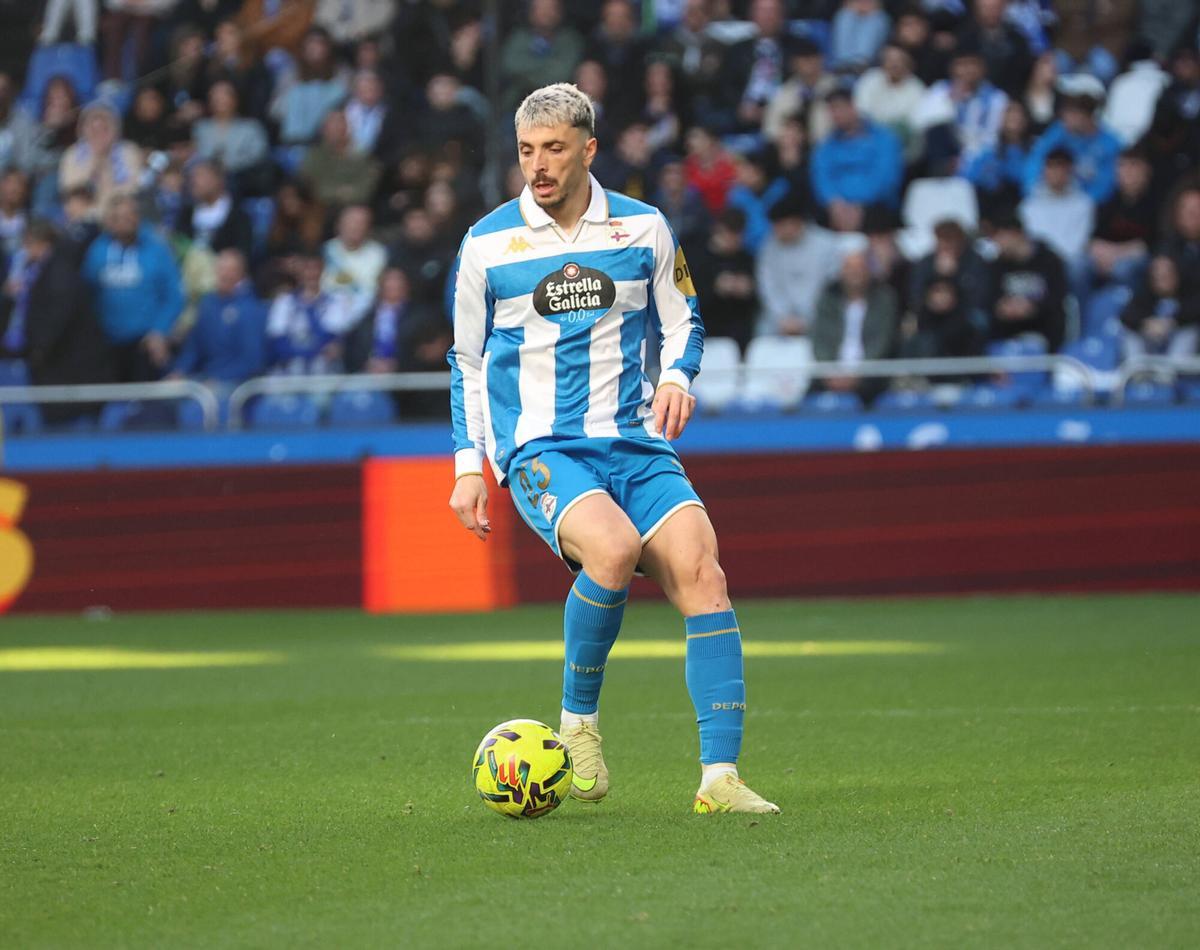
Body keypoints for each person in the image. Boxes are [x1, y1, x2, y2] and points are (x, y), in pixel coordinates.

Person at [447, 83, 779, 815]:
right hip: (542, 447)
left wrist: (678, 375)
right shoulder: (487, 244)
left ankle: (718, 779)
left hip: (633, 442)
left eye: (555, 149)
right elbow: (466, 363)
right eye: (527, 149)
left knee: (705, 574)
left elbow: (684, 317)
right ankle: (579, 725)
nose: (538, 164)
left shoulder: (645, 229)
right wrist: (471, 467)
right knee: (613, 548)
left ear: (589, 150)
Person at [0, 220, 112, 424]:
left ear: (42, 243)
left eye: (28, 244)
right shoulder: (39, 271)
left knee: (67, 427)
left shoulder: (59, 271)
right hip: (56, 364)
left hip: (66, 367)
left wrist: (38, 350)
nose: (25, 250)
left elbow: (57, 318)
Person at [81, 195, 184, 382]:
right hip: (108, 344)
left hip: (145, 343)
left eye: (130, 215)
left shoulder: (157, 249)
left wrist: (159, 330)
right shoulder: (97, 251)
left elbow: (173, 295)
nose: (125, 221)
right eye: (118, 217)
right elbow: (87, 294)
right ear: (109, 222)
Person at [810, 88, 902, 232]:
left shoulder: (883, 138)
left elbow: (887, 178)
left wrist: (859, 206)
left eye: (839, 108)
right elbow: (822, 178)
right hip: (837, 210)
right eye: (831, 110)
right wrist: (835, 204)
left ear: (853, 106)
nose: (835, 114)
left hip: (875, 206)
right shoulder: (826, 146)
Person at [811, 248, 898, 401]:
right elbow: (819, 341)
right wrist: (831, 372)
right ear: (841, 272)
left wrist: (859, 374)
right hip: (832, 374)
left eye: (859, 268)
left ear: (868, 271)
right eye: (849, 268)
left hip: (871, 372)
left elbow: (881, 342)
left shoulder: (884, 299)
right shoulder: (828, 300)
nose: (854, 273)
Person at [171, 248, 267, 385]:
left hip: (236, 386)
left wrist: (221, 379)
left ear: (241, 274)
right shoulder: (208, 304)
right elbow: (194, 347)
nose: (224, 274)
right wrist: (180, 370)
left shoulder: (251, 309)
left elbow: (252, 361)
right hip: (203, 380)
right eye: (221, 269)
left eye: (230, 270)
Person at [755, 195, 841, 336]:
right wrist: (783, 318)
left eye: (781, 226)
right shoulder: (769, 248)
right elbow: (768, 288)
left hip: (820, 318)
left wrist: (807, 320)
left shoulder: (827, 245)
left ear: (797, 222)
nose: (777, 231)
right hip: (779, 323)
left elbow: (830, 288)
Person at [984, 210, 1067, 351]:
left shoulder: (1049, 260)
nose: (996, 244)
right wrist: (1002, 306)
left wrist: (1032, 307)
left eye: (999, 237)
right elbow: (990, 298)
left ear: (1014, 233)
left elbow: (1058, 295)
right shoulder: (995, 265)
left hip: (1043, 325)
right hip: (1008, 328)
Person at [1119, 255, 1199, 359]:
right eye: (1157, 276)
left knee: (1189, 331)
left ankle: (1174, 371)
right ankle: (1139, 371)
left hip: (1177, 348)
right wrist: (1145, 324)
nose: (1162, 281)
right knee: (1128, 332)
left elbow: (1194, 312)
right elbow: (1126, 316)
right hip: (1149, 347)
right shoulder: (1144, 294)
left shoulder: (1188, 293)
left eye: (1166, 276)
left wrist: (1171, 323)